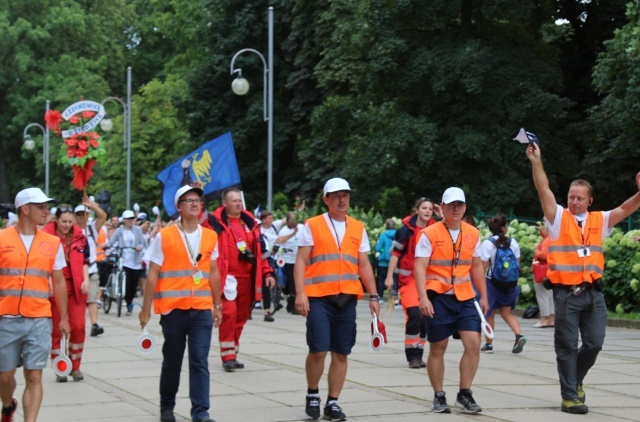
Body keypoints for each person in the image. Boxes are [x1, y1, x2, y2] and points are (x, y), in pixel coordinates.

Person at [526, 142, 640, 414]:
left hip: (593, 293)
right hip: (565, 294)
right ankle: (570, 396)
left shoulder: (600, 220)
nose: (573, 201)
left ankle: (574, 380)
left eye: (579, 198)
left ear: (590, 200)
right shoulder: (558, 217)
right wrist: (536, 162)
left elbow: (625, 209)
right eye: (571, 196)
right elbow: (544, 189)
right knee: (566, 346)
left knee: (595, 342)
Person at [294, 177, 381, 421]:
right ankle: (313, 393)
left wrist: (373, 295)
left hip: (347, 298)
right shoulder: (312, 225)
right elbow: (301, 261)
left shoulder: (357, 227)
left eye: (345, 195)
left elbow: (363, 264)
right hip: (319, 297)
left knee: (341, 352)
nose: (342, 200)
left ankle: (333, 402)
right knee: (319, 349)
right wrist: (301, 293)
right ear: (326, 200)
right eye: (336, 196)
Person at [139, 185, 222, 422]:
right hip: (174, 309)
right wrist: (145, 309)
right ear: (179, 207)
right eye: (189, 200)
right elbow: (153, 273)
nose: (195, 204)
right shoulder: (165, 236)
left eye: (198, 200)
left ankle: (201, 412)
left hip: (202, 308)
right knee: (172, 360)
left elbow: (213, 271)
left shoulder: (210, 236)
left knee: (199, 361)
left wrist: (217, 304)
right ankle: (167, 407)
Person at [414, 187, 488, 414]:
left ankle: (464, 393)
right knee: (438, 347)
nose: (456, 209)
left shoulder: (472, 233)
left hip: (465, 297)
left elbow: (476, 265)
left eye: (460, 205)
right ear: (442, 208)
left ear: (465, 208)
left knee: (473, 344)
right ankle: (439, 395)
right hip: (438, 297)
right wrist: (423, 298)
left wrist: (484, 295)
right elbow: (419, 266)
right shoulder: (429, 234)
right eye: (451, 205)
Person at [0, 188, 70, 422]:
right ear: (25, 209)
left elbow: (58, 281)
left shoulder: (52, 242)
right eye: (41, 206)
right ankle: (8, 405)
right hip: (5, 319)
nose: (46, 211)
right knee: (4, 377)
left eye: (46, 206)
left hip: (39, 319)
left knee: (35, 377)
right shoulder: (2, 239)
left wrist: (63, 318)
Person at [208, 188, 275, 371]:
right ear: (225, 203)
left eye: (239, 200)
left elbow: (262, 250)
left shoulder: (251, 223)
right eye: (234, 200)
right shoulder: (214, 223)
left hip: (248, 279)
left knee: (241, 317)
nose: (238, 203)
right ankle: (227, 356)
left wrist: (268, 272)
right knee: (228, 314)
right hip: (226, 279)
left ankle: (233, 352)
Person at [385, 198, 442, 368]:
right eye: (424, 208)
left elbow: (451, 230)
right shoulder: (405, 231)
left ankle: (419, 353)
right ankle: (412, 356)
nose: (427, 211)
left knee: (425, 318)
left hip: (428, 281)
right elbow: (395, 254)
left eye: (430, 209)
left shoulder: (436, 230)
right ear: (416, 210)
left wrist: (441, 216)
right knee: (414, 314)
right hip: (408, 281)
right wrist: (389, 277)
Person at [43, 205, 90, 382]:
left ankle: (75, 365)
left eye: (70, 222)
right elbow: (43, 263)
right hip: (56, 288)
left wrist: (85, 280)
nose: (67, 225)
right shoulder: (46, 238)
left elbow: (85, 261)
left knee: (78, 326)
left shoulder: (80, 237)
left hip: (76, 288)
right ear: (56, 220)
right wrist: (48, 283)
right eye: (64, 221)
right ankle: (59, 367)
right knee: (57, 329)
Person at [479, 215, 526, 354]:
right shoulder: (514, 243)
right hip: (510, 284)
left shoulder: (488, 244)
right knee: (507, 312)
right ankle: (519, 335)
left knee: (489, 313)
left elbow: (483, 266)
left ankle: (489, 345)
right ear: (504, 228)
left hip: (492, 283)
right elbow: (517, 264)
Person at [73, 197, 107, 337]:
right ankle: (77, 324)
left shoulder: (92, 228)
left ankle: (94, 324)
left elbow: (103, 216)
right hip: (76, 271)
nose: (82, 217)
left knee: (92, 298)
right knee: (77, 300)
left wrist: (92, 206)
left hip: (91, 269)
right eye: (79, 214)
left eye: (84, 214)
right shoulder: (71, 230)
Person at [105, 210, 146, 316]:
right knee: (126, 284)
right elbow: (112, 241)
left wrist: (139, 247)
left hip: (135, 261)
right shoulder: (119, 231)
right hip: (124, 261)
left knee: (133, 286)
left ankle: (130, 302)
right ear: (123, 220)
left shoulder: (137, 230)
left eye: (132, 218)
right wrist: (106, 246)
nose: (130, 221)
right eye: (128, 219)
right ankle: (128, 305)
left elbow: (142, 243)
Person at [275, 211, 304, 315]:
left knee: (297, 283)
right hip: (288, 261)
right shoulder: (284, 231)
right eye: (291, 220)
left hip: (300, 260)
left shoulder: (302, 227)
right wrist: (292, 234)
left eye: (295, 219)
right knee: (290, 284)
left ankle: (293, 305)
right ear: (287, 221)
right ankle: (291, 303)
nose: (293, 222)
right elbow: (278, 241)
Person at [532, 222, 554, 328]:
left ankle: (543, 320)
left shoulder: (547, 241)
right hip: (550, 270)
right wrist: (542, 232)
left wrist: (536, 251)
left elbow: (544, 255)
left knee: (542, 295)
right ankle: (551, 320)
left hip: (542, 270)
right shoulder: (553, 238)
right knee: (550, 296)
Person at [374, 218, 396, 299]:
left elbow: (378, 248)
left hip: (383, 261)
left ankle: (380, 296)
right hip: (394, 261)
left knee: (382, 279)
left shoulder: (383, 235)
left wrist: (382, 250)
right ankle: (393, 298)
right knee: (393, 279)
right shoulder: (398, 234)